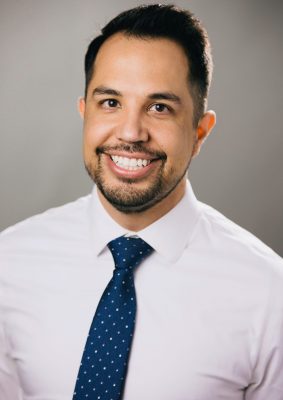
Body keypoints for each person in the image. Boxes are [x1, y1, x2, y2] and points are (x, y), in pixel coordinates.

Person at [1, 3, 283, 400]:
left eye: (159, 107)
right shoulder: (9, 262)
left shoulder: (271, 295)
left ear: (200, 132)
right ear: (85, 113)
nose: (131, 133)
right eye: (111, 103)